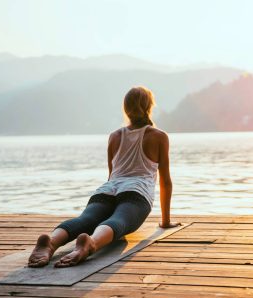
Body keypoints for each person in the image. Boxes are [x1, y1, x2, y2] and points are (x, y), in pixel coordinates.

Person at [28, 86, 180, 268]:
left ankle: (52, 241)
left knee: (84, 220)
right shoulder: (159, 136)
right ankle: (91, 243)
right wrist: (165, 222)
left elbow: (111, 174)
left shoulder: (115, 136)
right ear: (149, 107)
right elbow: (165, 182)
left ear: (126, 109)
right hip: (136, 193)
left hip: (107, 191)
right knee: (119, 221)